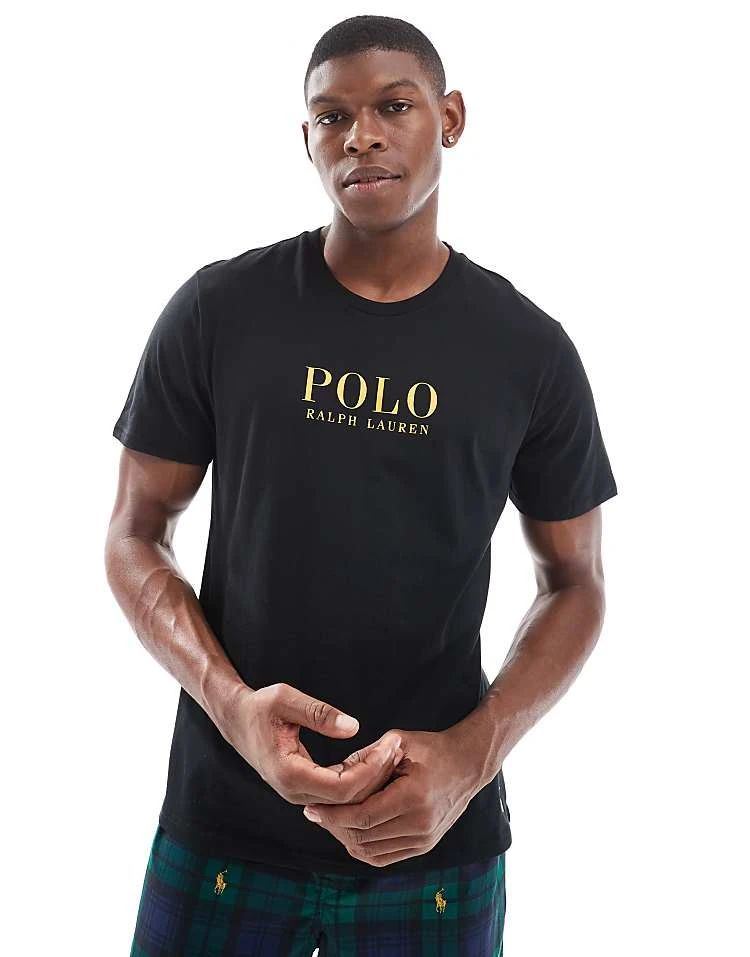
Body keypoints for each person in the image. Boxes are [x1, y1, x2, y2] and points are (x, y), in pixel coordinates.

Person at [105, 14, 617, 957]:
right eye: (333, 116)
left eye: (394, 106)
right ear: (306, 137)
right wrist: (233, 708)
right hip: (226, 827)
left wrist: (471, 755)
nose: (362, 136)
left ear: (450, 118)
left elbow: (577, 582)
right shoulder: (220, 310)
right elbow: (134, 534)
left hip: (434, 846)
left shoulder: (529, 351)